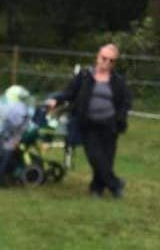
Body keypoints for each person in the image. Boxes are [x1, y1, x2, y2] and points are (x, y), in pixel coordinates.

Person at [46, 43, 131, 198]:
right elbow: (69, 92)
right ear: (97, 58)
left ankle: (96, 189)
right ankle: (116, 185)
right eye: (104, 58)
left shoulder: (118, 80)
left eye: (111, 61)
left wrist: (120, 118)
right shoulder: (85, 76)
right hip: (88, 124)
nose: (107, 63)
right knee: (95, 157)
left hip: (109, 125)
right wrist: (55, 100)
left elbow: (125, 102)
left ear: (114, 63)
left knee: (106, 159)